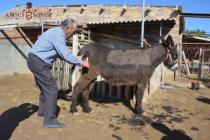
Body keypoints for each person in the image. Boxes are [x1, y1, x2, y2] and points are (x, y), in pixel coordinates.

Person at [27, 18, 89, 128]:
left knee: (45, 88)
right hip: (38, 62)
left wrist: (75, 58)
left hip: (35, 60)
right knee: (52, 89)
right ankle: (49, 121)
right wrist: (81, 63)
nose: (73, 33)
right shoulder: (58, 35)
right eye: (73, 31)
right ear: (68, 28)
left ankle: (43, 112)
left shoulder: (56, 32)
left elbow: (60, 53)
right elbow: (65, 55)